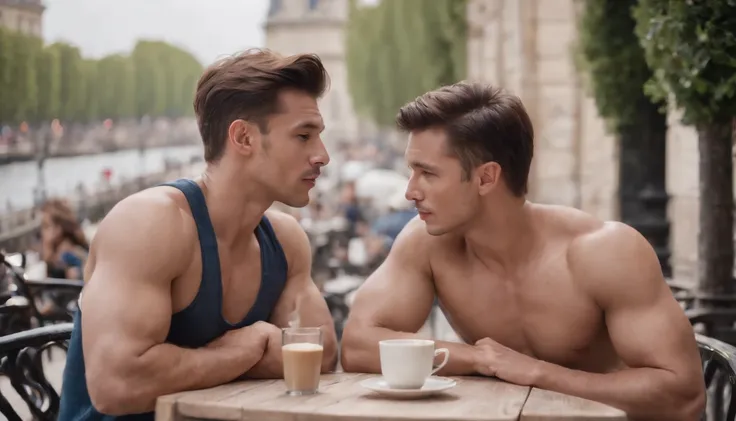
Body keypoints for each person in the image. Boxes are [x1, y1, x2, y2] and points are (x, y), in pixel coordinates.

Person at [340, 82, 705, 421]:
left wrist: (539, 373)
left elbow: (683, 395)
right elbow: (357, 345)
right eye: (411, 171)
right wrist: (478, 359)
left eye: (427, 174)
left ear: (486, 177)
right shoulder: (428, 242)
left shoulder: (604, 252)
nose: (410, 191)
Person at [58, 49, 338, 420]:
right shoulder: (150, 223)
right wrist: (245, 350)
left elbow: (321, 356)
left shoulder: (286, 240)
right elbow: (118, 385)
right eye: (304, 136)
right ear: (243, 137)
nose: (323, 155)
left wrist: (184, 366)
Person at [39, 198, 89, 280]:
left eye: (46, 226)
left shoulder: (68, 256)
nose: (42, 232)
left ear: (58, 228)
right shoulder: (55, 255)